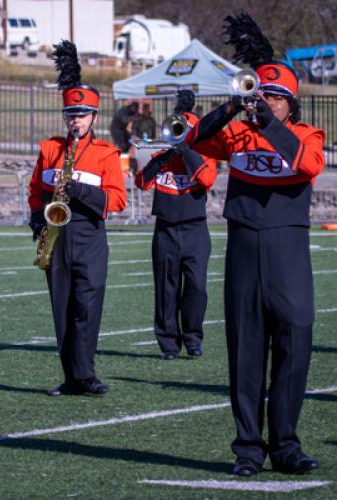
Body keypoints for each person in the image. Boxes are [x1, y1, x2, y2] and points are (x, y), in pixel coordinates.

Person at [191, 13, 325, 476]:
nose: (265, 101)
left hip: (288, 249)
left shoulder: (306, 135)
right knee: (246, 350)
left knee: (297, 339)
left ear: (291, 104)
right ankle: (248, 449)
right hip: (244, 247)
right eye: (261, 93)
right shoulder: (237, 133)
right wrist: (231, 108)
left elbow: (308, 165)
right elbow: (195, 140)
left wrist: (268, 124)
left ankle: (285, 445)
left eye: (275, 97)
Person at [28, 40, 126, 396]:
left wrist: (79, 189)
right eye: (71, 115)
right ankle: (70, 377)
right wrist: (38, 221)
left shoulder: (105, 154)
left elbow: (117, 200)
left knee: (86, 307)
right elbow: (36, 191)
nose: (75, 121)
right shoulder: (50, 149)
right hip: (57, 236)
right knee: (62, 310)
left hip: (89, 236)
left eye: (82, 115)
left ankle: (87, 374)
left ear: (94, 117)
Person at [135, 90, 217, 360]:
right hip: (166, 230)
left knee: (197, 288)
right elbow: (141, 182)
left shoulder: (204, 155)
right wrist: (162, 158)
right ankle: (168, 343)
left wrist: (187, 152)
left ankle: (193, 338)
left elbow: (207, 180)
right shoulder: (164, 154)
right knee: (165, 288)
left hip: (195, 231)